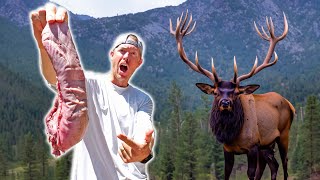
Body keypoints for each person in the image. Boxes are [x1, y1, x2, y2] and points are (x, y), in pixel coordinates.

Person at [30, 3, 155, 180]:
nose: (126, 56)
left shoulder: (142, 100)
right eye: (122, 51)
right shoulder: (89, 85)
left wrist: (143, 151)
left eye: (133, 53)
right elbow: (55, 78)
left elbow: (145, 128)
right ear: (112, 54)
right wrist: (44, 47)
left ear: (139, 62)